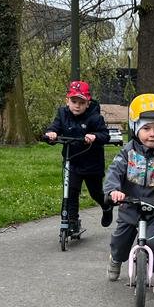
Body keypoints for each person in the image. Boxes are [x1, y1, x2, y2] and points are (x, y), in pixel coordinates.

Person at [104, 93, 154, 297]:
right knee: (120, 241)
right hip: (130, 206)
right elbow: (115, 171)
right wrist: (113, 190)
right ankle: (116, 259)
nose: (152, 134)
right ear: (135, 127)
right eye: (146, 128)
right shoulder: (128, 152)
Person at [44, 80, 113, 231]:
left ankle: (106, 206)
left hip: (92, 163)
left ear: (88, 103)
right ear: (67, 101)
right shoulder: (62, 114)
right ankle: (72, 221)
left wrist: (94, 136)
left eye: (81, 102)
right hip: (72, 161)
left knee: (95, 192)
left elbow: (105, 135)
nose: (77, 105)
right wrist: (51, 134)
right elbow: (54, 127)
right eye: (74, 101)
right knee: (71, 192)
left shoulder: (95, 117)